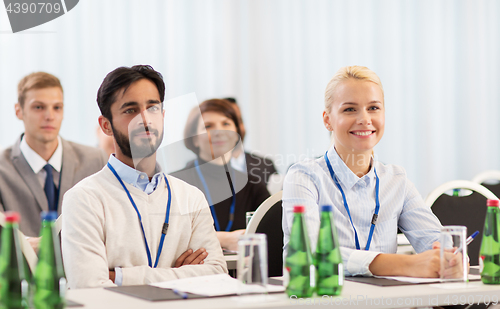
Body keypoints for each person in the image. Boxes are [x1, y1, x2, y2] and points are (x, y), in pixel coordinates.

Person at [283, 66, 463, 278]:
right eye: (350, 109)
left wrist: (450, 260)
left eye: (374, 108)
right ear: (327, 120)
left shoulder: (396, 180)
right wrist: (404, 264)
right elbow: (309, 253)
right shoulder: (304, 177)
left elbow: (436, 243)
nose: (364, 119)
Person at [61, 65, 227, 289]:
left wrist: (120, 277)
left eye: (152, 108)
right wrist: (179, 277)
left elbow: (216, 273)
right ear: (106, 126)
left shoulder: (191, 197)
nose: (145, 120)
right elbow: (90, 288)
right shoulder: (83, 199)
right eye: (130, 110)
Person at [0, 72, 107, 242]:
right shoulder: (2, 170)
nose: (50, 116)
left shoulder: (96, 160)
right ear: (18, 111)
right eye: (39, 107)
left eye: (57, 107)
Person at [172, 99, 270, 251]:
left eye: (226, 124)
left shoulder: (253, 186)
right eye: (208, 126)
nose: (219, 132)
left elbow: (272, 235)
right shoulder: (174, 184)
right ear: (195, 139)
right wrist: (222, 239)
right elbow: (167, 234)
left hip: (243, 272)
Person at [223, 97, 278, 186]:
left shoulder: (265, 166)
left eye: (239, 121)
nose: (237, 129)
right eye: (227, 124)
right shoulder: (202, 170)